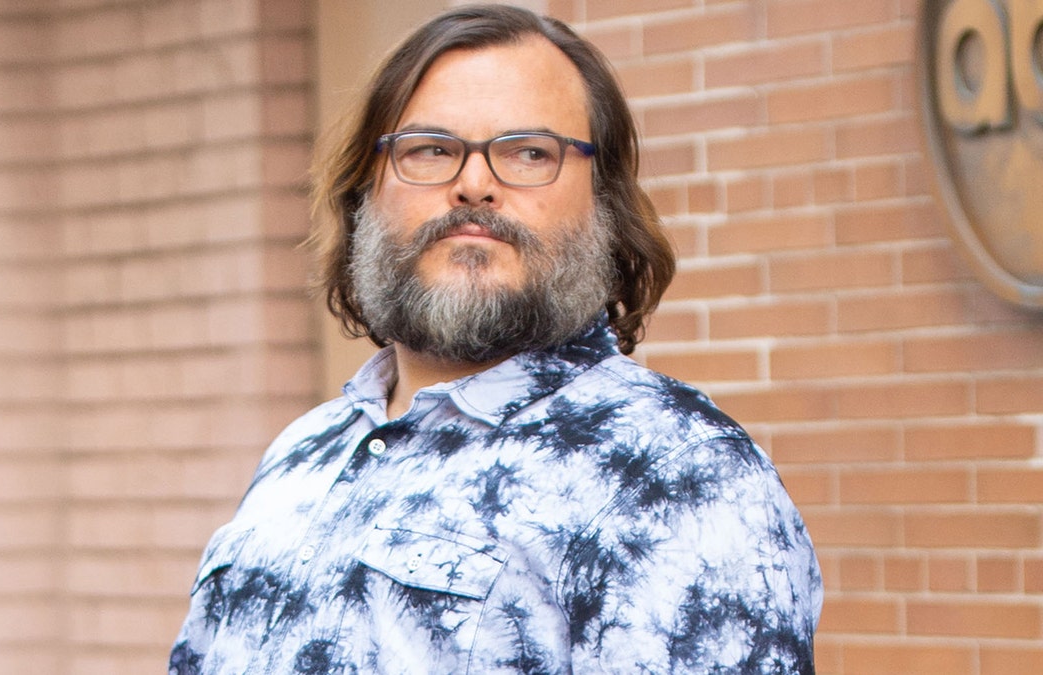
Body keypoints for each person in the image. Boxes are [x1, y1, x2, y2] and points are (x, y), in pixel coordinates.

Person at [169, 5, 822, 673]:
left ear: (603, 201)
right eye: (430, 149)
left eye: (529, 152)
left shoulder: (675, 470)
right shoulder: (299, 455)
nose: (474, 184)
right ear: (366, 189)